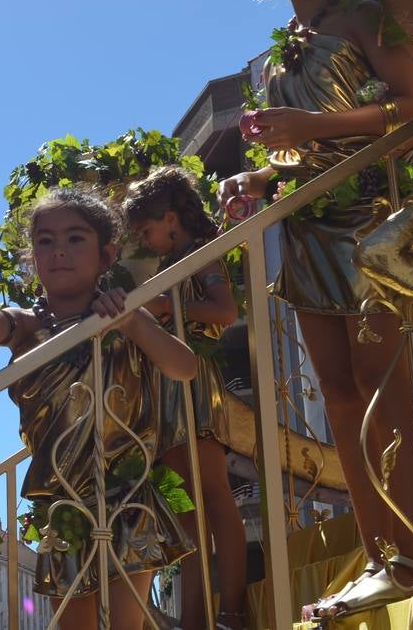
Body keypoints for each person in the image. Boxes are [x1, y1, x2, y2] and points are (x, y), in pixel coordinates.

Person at [219, 0, 413, 619]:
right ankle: (381, 558)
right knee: (340, 401)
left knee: (385, 390)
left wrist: (316, 126)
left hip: (371, 218)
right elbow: (298, 152)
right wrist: (259, 178)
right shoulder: (288, 41)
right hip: (310, 231)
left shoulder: (363, 16)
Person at [0, 188, 197, 630]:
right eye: (45, 241)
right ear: (31, 258)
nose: (59, 250)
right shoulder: (27, 326)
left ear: (106, 253)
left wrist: (131, 322)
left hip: (126, 498)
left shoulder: (127, 313)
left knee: (124, 622)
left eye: (76, 238)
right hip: (62, 507)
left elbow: (184, 368)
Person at [124, 167, 246, 630]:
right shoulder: (174, 260)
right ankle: (205, 614)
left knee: (208, 499)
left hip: (190, 381)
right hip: (169, 383)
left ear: (172, 218)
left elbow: (225, 312)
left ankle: (227, 611)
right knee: (190, 508)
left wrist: (160, 306)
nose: (146, 240)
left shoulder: (198, 255)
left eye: (147, 230)